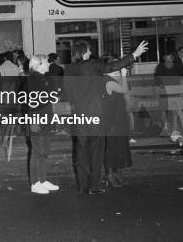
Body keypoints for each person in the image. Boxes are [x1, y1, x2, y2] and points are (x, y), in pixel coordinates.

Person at [63, 39, 148, 194]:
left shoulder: (68, 68)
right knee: (96, 150)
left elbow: (67, 94)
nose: (90, 52)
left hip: (79, 114)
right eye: (89, 49)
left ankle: (83, 186)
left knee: (81, 151)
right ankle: (94, 187)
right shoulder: (93, 64)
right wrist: (134, 54)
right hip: (96, 113)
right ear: (84, 51)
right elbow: (112, 66)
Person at [26, 55, 59, 194]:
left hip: (46, 118)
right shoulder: (32, 79)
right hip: (37, 119)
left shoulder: (43, 78)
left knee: (44, 151)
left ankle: (43, 180)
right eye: (45, 62)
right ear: (38, 65)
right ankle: (35, 183)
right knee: (37, 151)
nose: (48, 64)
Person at [101, 55, 132, 188]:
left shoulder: (114, 79)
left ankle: (117, 172)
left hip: (119, 116)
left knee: (119, 145)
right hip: (111, 118)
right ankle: (109, 174)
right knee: (112, 147)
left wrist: (121, 76)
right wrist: (123, 76)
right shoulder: (107, 80)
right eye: (115, 66)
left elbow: (126, 93)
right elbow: (124, 90)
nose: (118, 68)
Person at [154, 53, 183, 137]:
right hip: (164, 91)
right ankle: (165, 127)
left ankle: (174, 130)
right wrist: (160, 84)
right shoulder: (160, 66)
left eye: (170, 59)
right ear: (164, 59)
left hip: (175, 90)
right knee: (165, 110)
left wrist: (182, 82)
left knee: (176, 110)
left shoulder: (178, 66)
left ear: (173, 59)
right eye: (166, 59)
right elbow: (157, 77)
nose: (168, 60)